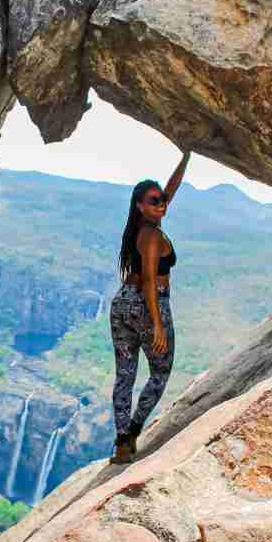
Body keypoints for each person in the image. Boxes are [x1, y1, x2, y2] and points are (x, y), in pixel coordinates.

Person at [108, 149, 191, 464]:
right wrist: (156, 324)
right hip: (146, 304)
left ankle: (121, 445)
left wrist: (187, 157)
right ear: (142, 206)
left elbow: (170, 190)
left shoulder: (140, 226)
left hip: (121, 304)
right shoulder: (152, 236)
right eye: (155, 201)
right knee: (160, 371)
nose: (162, 204)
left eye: (162, 200)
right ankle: (131, 432)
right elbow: (149, 283)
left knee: (125, 375)